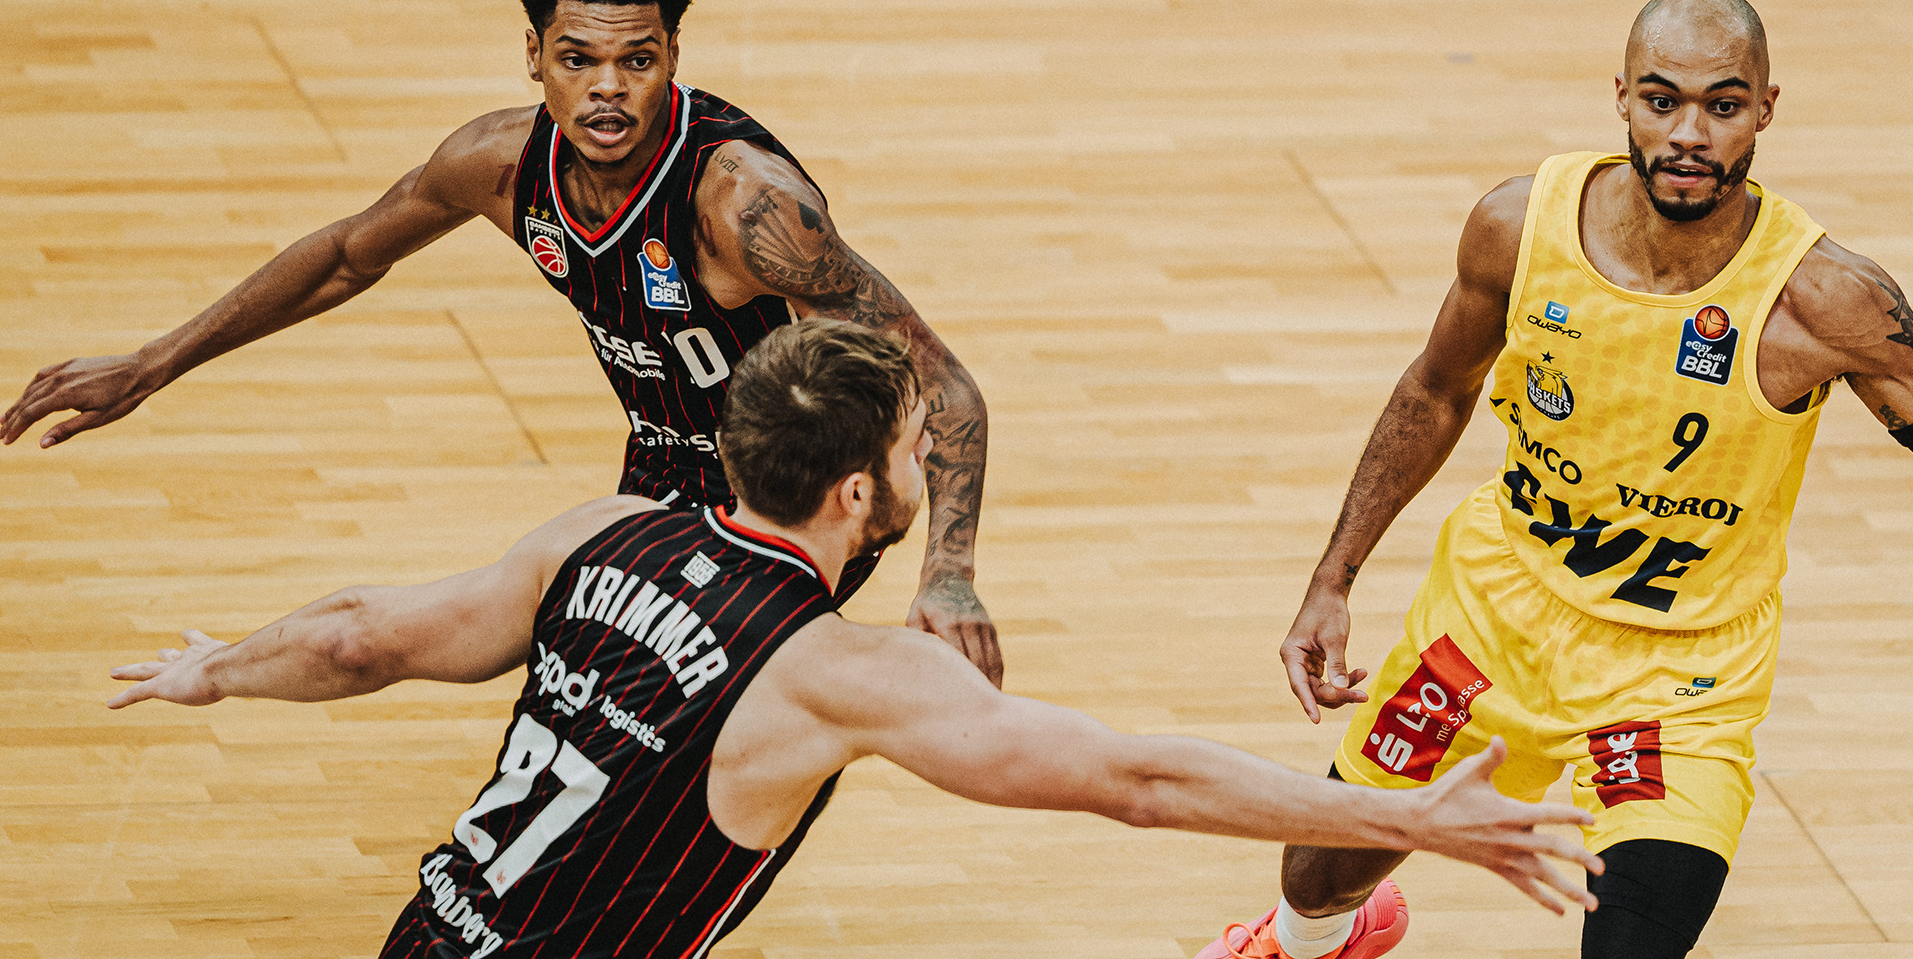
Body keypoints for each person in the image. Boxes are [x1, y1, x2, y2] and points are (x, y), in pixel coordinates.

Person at [1196, 1, 1913, 957]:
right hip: (1491, 621)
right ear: (1622, 97)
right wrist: (1335, 577)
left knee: (1634, 936)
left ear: (1765, 109)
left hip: (1680, 680)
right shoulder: (1518, 228)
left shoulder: (1826, 301)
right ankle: (1310, 941)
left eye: (1722, 105)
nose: (1688, 132)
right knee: (1319, 874)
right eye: (1662, 99)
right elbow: (1434, 391)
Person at [104, 318, 1607, 958]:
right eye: (908, 448)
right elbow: (1137, 779)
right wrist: (1406, 814)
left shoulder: (599, 531)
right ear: (854, 493)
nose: (921, 469)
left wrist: (216, 662)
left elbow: (368, 635)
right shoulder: (838, 673)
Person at [0, 0, 1003, 681]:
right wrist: (154, 361)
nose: (607, 90)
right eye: (578, 59)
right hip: (661, 467)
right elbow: (350, 253)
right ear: (534, 55)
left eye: (636, 59)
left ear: (672, 60)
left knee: (675, 734)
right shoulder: (498, 165)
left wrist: (946, 570)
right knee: (579, 695)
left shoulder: (745, 206)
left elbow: (948, 385)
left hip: (798, 495)